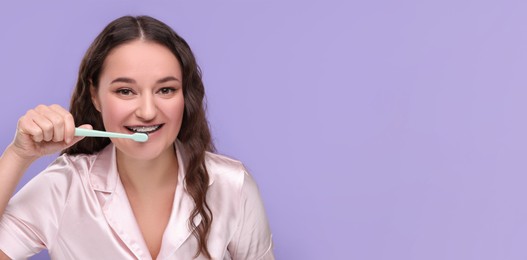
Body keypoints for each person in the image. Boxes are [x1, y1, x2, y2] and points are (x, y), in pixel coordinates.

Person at [0, 15, 274, 259]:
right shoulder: (63, 187)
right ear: (95, 96)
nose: (147, 111)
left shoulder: (232, 186)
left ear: (184, 95)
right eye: (125, 91)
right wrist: (18, 155)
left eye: (165, 90)